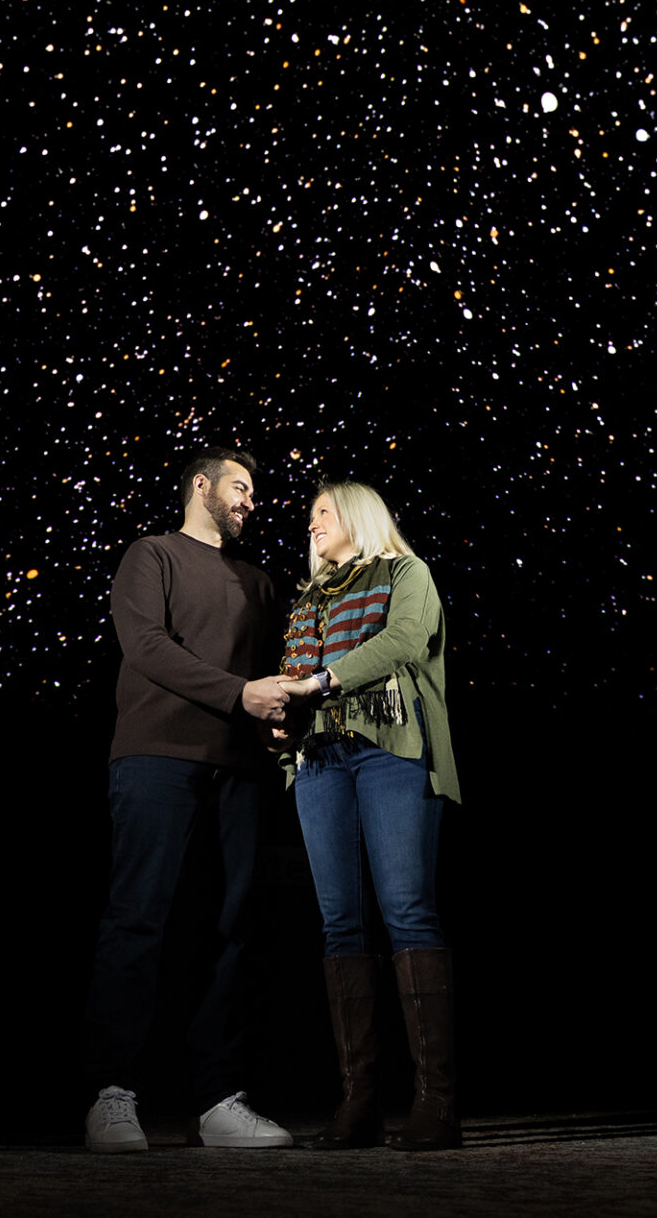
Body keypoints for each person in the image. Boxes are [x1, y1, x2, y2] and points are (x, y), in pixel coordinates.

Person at [81, 447, 296, 1153]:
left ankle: (218, 1101)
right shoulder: (152, 555)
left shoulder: (261, 582)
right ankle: (113, 1094)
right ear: (200, 487)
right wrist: (239, 695)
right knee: (139, 919)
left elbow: (273, 675)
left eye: (254, 491)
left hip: (237, 769)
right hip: (155, 757)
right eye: (240, 485)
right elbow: (144, 644)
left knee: (229, 930)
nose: (250, 501)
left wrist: (271, 723)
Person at [274, 480, 462, 1151]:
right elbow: (295, 674)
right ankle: (358, 1103)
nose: (313, 524)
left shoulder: (406, 572)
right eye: (311, 517)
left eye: (324, 512)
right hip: (320, 759)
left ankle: (436, 1102)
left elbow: (408, 638)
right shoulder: (308, 599)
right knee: (338, 924)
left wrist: (321, 682)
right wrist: (283, 714)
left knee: (407, 910)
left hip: (390, 749)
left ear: (358, 516)